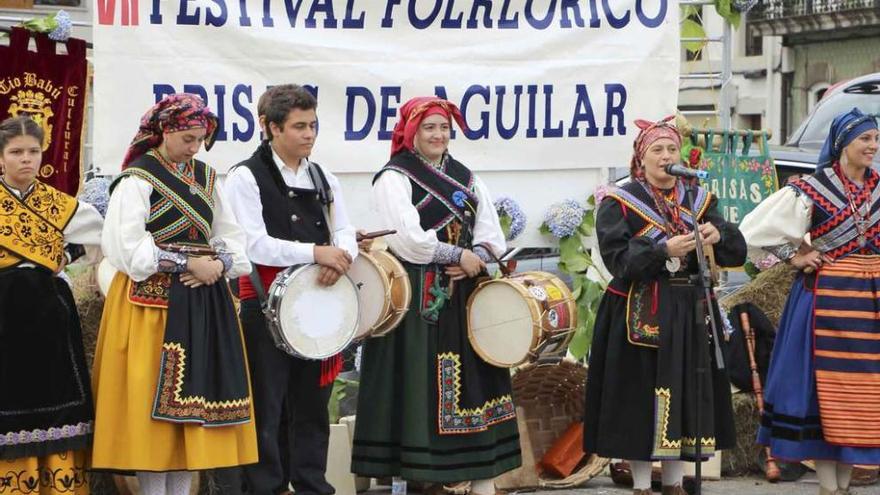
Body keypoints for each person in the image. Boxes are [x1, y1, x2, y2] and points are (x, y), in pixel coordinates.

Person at [350, 96, 521, 495]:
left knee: (476, 385)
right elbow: (407, 240)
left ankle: (481, 481)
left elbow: (491, 235)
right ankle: (418, 479)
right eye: (429, 127)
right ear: (411, 132)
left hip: (465, 297)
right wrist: (455, 254)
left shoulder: (468, 177)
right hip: (417, 297)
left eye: (444, 127)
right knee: (417, 384)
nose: (438, 135)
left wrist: (475, 258)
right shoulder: (394, 177)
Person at [90, 93, 257, 495]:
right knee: (155, 419)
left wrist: (219, 264)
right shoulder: (136, 180)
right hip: (151, 310)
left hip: (203, 305)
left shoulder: (207, 178)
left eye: (200, 139)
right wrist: (186, 264)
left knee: (191, 418)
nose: (195, 147)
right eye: (187, 138)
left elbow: (230, 235)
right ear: (165, 131)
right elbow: (127, 249)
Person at [582, 117, 746, 495]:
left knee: (683, 392)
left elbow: (734, 247)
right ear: (641, 158)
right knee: (641, 397)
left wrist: (717, 233)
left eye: (672, 149)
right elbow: (619, 261)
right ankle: (641, 484)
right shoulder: (620, 202)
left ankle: (672, 483)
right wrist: (662, 250)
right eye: (658, 149)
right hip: (638, 312)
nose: (667, 156)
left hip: (688, 310)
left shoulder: (697, 198)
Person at [224, 84, 358, 495]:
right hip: (264, 304)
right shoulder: (245, 176)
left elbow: (346, 229)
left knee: (312, 405)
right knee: (269, 405)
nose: (309, 134)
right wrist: (317, 252)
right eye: (299, 126)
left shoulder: (323, 176)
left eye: (313, 125)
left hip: (317, 303)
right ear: (270, 127)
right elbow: (252, 243)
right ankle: (267, 487)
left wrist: (343, 255)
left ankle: (312, 484)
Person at [740, 108, 880, 495]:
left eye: (875, 139)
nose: (872, 146)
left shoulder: (879, 187)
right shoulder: (812, 190)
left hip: (869, 308)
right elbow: (753, 232)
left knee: (859, 394)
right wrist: (794, 256)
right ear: (842, 145)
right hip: (822, 305)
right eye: (864, 139)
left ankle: (845, 486)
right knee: (820, 394)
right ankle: (827, 487)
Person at [0, 115, 103, 494]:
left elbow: (101, 239)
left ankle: (59, 486)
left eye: (33, 151)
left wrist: (66, 252)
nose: (26, 159)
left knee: (56, 394)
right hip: (4, 311)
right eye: (16, 152)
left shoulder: (59, 204)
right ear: (0, 158)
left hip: (49, 312)